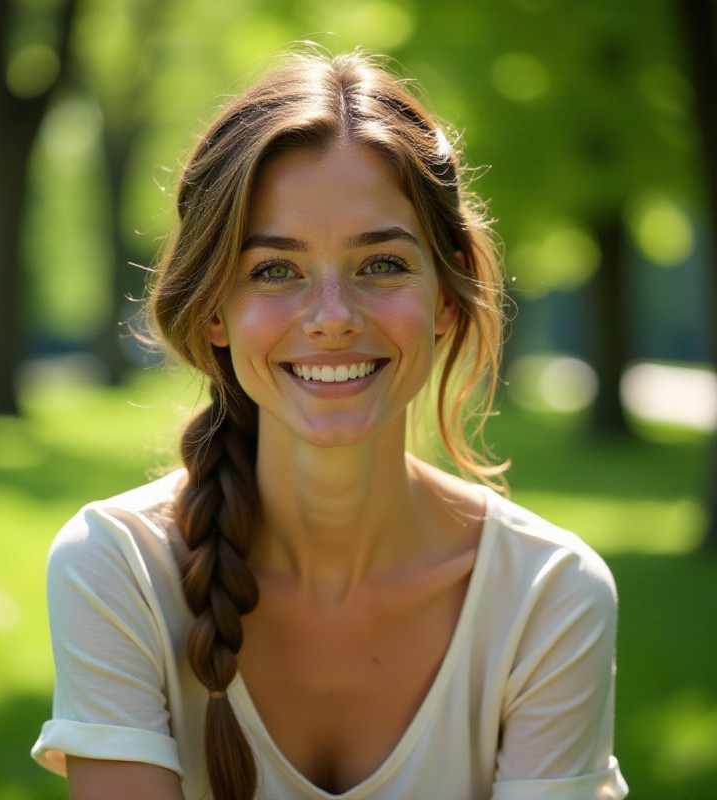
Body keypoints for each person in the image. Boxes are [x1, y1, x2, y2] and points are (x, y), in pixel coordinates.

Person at [31, 50, 629, 800]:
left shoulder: (551, 594)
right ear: (214, 311)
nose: (334, 320)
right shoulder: (116, 570)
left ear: (446, 298)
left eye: (381, 264)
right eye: (275, 271)